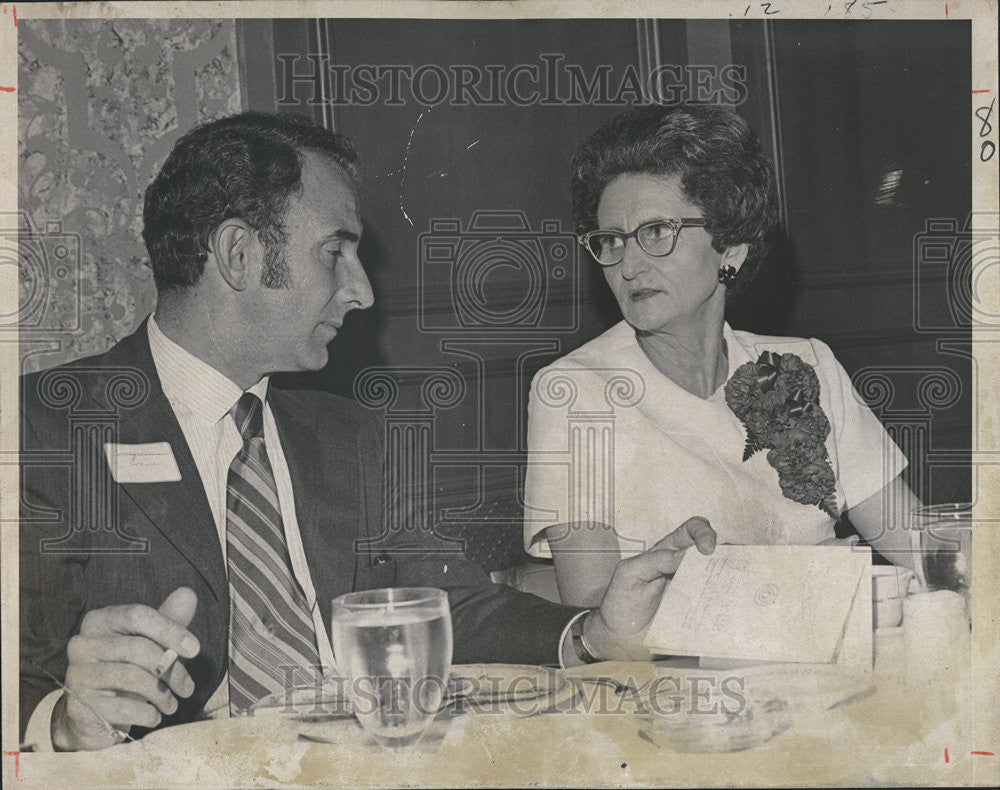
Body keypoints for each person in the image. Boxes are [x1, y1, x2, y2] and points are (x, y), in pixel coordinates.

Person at [19, 111, 716, 752]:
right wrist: (63, 723)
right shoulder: (41, 430)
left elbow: (454, 608)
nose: (363, 291)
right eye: (334, 252)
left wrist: (588, 634)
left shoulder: (350, 436)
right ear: (236, 255)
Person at [524, 105, 920, 608]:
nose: (629, 264)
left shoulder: (808, 367)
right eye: (611, 241)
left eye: (656, 232)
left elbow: (919, 543)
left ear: (730, 249)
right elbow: (591, 613)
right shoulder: (574, 392)